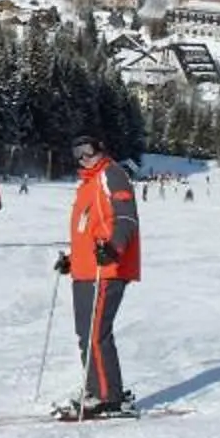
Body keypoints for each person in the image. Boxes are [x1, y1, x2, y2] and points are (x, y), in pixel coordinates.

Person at [52, 133, 141, 419]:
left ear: (100, 148)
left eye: (87, 151)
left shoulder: (111, 175)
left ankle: (108, 397)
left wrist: (115, 247)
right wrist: (72, 259)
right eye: (77, 153)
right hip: (87, 270)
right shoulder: (88, 184)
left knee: (95, 332)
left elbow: (126, 216)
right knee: (86, 334)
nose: (83, 158)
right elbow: (87, 230)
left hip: (107, 269)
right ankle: (99, 387)